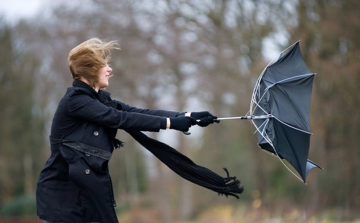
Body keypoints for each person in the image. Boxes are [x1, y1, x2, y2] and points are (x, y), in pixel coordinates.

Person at [36, 38, 219, 223]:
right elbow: (119, 118)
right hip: (63, 202)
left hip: (87, 197)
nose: (109, 69)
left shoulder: (99, 100)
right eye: (104, 65)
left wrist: (187, 115)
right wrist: (171, 123)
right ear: (90, 69)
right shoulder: (75, 101)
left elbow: (137, 112)